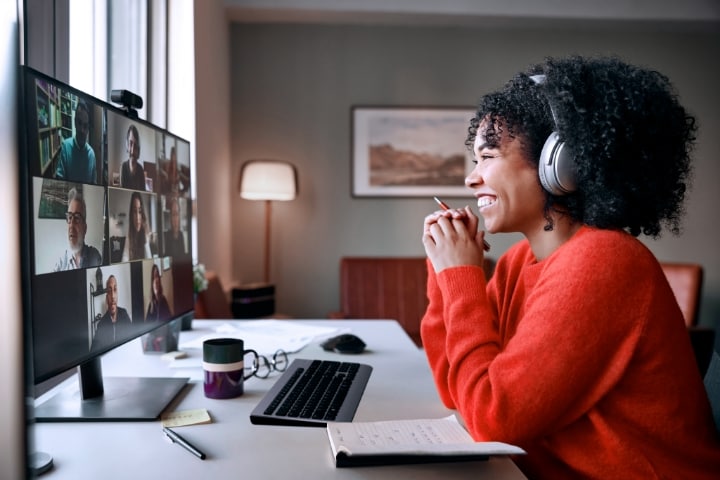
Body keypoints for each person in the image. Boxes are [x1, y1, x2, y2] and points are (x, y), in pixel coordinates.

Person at [420, 55, 720, 479]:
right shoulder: (518, 262)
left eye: (488, 156)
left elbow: (492, 418)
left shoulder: (604, 261)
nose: (471, 178)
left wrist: (461, 277)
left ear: (559, 163)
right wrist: (444, 274)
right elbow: (456, 388)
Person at [53, 187, 102, 271]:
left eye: (77, 217)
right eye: (69, 217)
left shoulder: (94, 256)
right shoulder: (60, 262)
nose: (71, 225)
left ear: (85, 228)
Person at [55, 99, 97, 183]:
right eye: (79, 123)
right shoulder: (65, 147)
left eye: (85, 126)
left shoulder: (92, 155)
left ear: (88, 128)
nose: (82, 130)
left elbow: (94, 185)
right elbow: (59, 181)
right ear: (74, 122)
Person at [91, 275, 132, 351]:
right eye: (109, 291)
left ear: (117, 295)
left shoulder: (124, 314)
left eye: (115, 290)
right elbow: (93, 352)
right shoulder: (101, 325)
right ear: (107, 298)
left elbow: (132, 341)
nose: (113, 296)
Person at [121, 191, 152, 261]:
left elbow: (150, 262)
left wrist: (145, 240)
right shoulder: (129, 234)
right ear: (131, 214)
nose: (137, 217)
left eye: (140, 211)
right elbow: (124, 257)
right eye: (135, 211)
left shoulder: (146, 234)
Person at [120, 124, 146, 190]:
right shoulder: (123, 167)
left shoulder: (140, 169)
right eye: (130, 143)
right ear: (127, 145)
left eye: (135, 145)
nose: (132, 150)